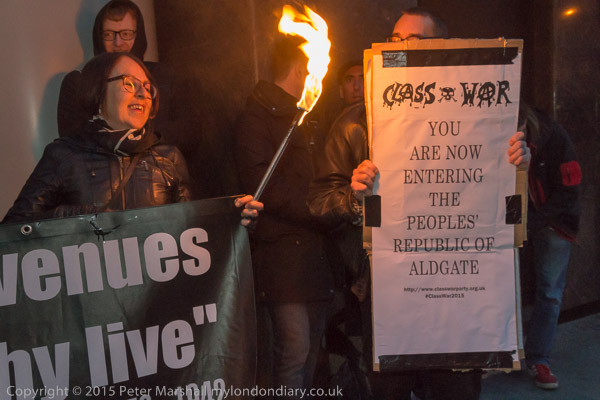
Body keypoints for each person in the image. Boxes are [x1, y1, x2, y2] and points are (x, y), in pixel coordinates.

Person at [308, 7, 531, 400]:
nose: (399, 48)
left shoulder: (487, 116)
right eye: (393, 40)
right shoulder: (356, 123)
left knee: (455, 391)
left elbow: (509, 212)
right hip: (389, 294)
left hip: (461, 296)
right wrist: (354, 197)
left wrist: (517, 171)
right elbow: (320, 203)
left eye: (411, 41)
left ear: (442, 48)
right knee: (390, 391)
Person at [3, 52, 261, 225]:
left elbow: (193, 231)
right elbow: (15, 230)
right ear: (98, 92)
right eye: (129, 82)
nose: (142, 93)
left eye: (147, 87)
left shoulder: (168, 158)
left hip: (156, 291)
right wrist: (82, 216)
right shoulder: (64, 157)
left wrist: (234, 219)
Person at [233, 35, 334, 397]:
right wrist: (318, 207)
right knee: (293, 352)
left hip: (314, 253)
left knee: (311, 353)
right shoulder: (257, 118)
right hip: (281, 255)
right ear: (303, 68)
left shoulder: (305, 116)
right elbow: (264, 185)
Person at [519, 103, 581, 390]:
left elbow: (569, 191)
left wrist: (532, 223)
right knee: (499, 286)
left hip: (553, 218)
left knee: (550, 290)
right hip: (513, 215)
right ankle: (502, 353)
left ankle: (538, 358)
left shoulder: (553, 137)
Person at [57, 0, 172, 140]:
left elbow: (180, 132)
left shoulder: (160, 77)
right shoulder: (79, 83)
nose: (118, 43)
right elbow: (72, 139)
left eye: (126, 34)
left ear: (138, 35)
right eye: (109, 34)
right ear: (99, 37)